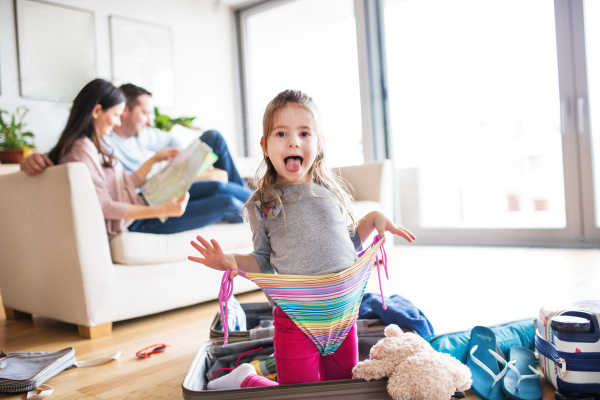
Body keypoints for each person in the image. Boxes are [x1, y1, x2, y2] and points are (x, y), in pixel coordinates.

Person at [188, 89, 416, 389]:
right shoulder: (263, 204)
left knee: (342, 388)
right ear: (265, 147)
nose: (294, 141)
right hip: (296, 319)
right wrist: (231, 261)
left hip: (343, 318)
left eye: (304, 133)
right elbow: (262, 259)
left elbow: (347, 244)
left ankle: (250, 378)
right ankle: (248, 381)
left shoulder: (330, 192)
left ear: (317, 145)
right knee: (297, 393)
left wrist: (374, 219)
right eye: (281, 133)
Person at [45, 78, 250, 239]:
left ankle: (267, 203)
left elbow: (124, 185)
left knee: (217, 187)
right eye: (116, 115)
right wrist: (161, 210)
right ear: (97, 111)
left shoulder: (94, 145)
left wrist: (154, 160)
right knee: (226, 202)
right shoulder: (82, 149)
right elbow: (105, 206)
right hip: (138, 219)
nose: (117, 121)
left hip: (144, 201)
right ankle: (271, 216)